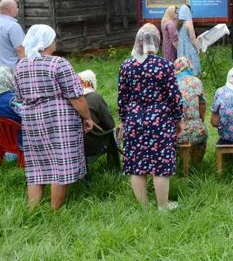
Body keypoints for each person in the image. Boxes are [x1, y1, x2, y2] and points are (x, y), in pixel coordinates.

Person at [14, 25, 94, 210]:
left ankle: (33, 209)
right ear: (47, 42)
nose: (55, 41)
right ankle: (54, 211)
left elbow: (19, 97)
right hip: (59, 117)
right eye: (53, 38)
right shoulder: (58, 63)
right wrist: (87, 117)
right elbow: (76, 96)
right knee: (61, 163)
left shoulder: (20, 65)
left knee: (36, 164)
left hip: (31, 118)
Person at [118, 24, 183, 210]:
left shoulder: (126, 66)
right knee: (160, 164)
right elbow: (174, 96)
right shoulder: (165, 65)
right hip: (161, 120)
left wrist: (123, 121)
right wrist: (179, 119)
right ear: (157, 41)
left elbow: (122, 97)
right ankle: (163, 206)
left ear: (138, 40)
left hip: (134, 119)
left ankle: (144, 207)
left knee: (137, 164)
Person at [77, 70, 117, 162]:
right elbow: (110, 125)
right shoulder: (95, 97)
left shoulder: (70, 99)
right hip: (91, 145)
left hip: (71, 145)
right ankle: (113, 166)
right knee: (116, 133)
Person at [174, 57, 208, 164]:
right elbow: (202, 104)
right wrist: (200, 119)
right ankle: (196, 162)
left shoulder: (171, 83)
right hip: (194, 130)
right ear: (189, 67)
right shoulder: (196, 81)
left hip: (173, 131)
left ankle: (178, 159)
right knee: (203, 131)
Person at [0, 0, 25, 69]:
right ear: (11, 10)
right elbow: (20, 49)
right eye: (16, 7)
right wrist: (26, 67)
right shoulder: (13, 26)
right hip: (13, 69)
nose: (17, 10)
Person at [177, 4, 202, 75]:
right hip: (189, 46)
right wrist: (198, 48)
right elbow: (193, 38)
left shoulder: (178, 23)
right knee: (191, 61)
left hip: (181, 47)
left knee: (183, 63)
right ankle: (193, 76)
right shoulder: (188, 22)